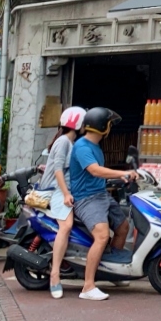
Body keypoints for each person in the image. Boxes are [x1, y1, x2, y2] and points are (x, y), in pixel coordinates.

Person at [68, 107, 137, 301]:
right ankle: (88, 286)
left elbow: (99, 175)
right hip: (86, 199)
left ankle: (113, 271)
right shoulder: (82, 147)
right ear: (102, 127)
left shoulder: (95, 146)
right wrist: (121, 173)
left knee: (123, 226)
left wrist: (119, 179)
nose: (111, 128)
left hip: (101, 195)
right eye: (109, 124)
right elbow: (95, 171)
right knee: (102, 235)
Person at [38, 106, 86, 299]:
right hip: (56, 191)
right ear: (79, 124)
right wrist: (66, 194)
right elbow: (58, 170)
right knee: (66, 226)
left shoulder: (69, 142)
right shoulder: (64, 142)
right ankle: (55, 275)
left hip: (64, 189)